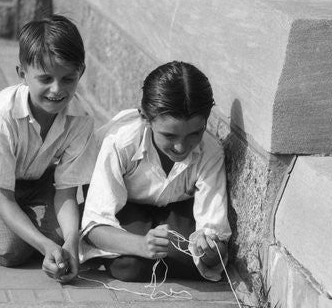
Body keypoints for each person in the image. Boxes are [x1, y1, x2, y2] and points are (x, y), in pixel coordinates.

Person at [0, 14, 97, 282]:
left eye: (68, 79)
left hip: (36, 178)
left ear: (80, 73)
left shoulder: (81, 120)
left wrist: (70, 245)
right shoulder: (0, 116)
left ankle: (26, 222)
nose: (56, 90)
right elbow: (3, 196)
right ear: (22, 74)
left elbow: (66, 194)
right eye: (46, 78)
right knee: (11, 249)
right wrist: (46, 246)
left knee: (70, 234)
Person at [80, 60, 230, 282]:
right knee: (130, 266)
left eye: (194, 134)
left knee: (189, 256)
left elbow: (216, 236)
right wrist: (141, 245)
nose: (181, 147)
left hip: (173, 210)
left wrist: (209, 251)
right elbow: (94, 227)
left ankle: (161, 256)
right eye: (169, 136)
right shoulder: (120, 142)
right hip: (126, 205)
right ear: (144, 117)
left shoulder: (210, 152)